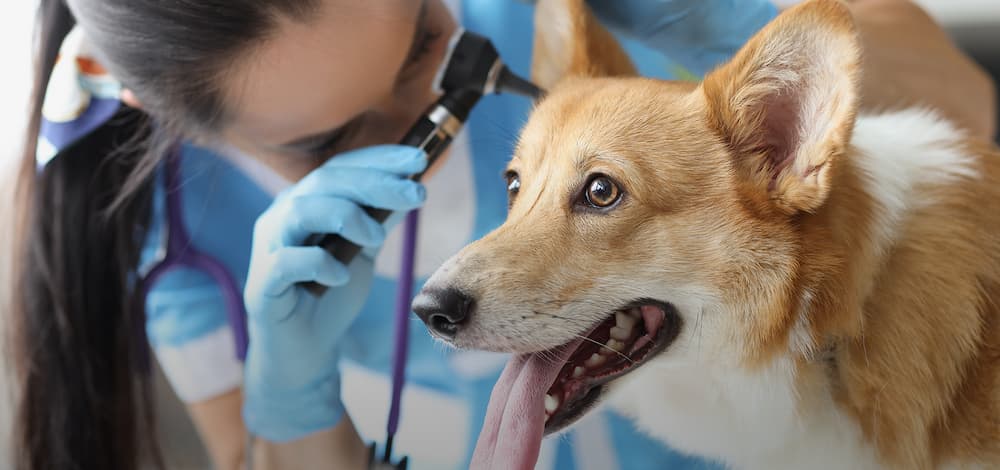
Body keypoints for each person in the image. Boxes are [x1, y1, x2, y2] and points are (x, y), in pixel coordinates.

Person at [8, 0, 994, 469]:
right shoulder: (164, 223)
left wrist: (730, 28)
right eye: (333, 138)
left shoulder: (549, 25)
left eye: (430, 46)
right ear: (164, 113)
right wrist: (291, 391)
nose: (432, 123)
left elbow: (964, 103)